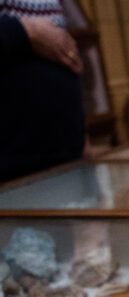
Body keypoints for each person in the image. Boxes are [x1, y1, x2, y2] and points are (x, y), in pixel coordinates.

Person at [0, 2, 86, 182]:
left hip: (67, 161)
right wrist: (24, 30)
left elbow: (58, 47)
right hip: (15, 174)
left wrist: (83, 134)